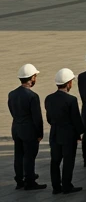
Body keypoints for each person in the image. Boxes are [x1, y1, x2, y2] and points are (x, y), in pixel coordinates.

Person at [46, 68, 84, 194]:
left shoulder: (49, 98)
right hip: (68, 135)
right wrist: (79, 132)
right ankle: (67, 185)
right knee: (68, 161)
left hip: (55, 133)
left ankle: (56, 187)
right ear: (68, 83)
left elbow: (49, 118)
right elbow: (76, 119)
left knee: (55, 161)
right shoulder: (71, 100)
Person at [10, 63, 45, 192]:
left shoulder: (12, 94)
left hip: (16, 128)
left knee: (18, 155)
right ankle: (30, 181)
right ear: (32, 78)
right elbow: (37, 117)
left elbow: (12, 111)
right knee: (29, 156)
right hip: (29, 130)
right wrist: (40, 133)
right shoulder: (32, 96)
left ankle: (19, 180)